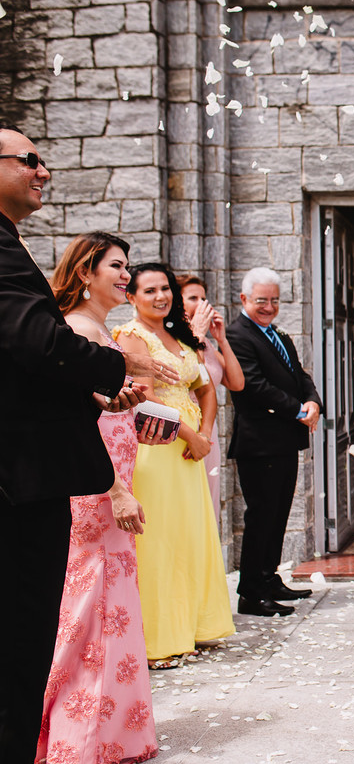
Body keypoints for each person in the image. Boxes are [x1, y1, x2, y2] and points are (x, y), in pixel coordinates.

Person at [0, 123, 168, 764]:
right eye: (29, 160)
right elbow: (36, 344)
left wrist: (102, 391)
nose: (43, 171)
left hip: (60, 467)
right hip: (27, 476)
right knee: (33, 632)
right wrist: (117, 365)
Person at [36, 233, 172, 764]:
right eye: (116, 266)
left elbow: (103, 409)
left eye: (126, 266)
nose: (125, 275)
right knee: (91, 611)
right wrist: (116, 489)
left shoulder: (96, 332)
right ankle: (76, 740)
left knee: (108, 606)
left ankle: (106, 732)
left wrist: (135, 415)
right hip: (97, 492)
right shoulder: (76, 330)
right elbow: (75, 424)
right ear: (85, 272)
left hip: (111, 482)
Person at [115, 263, 235, 669]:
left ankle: (191, 627)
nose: (160, 296)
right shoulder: (131, 336)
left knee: (189, 536)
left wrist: (206, 433)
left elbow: (206, 387)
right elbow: (145, 398)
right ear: (132, 296)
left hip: (190, 449)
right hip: (158, 447)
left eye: (165, 288)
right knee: (160, 541)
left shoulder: (179, 335)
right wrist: (189, 435)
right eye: (149, 290)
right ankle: (159, 639)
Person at [225, 267, 322, 617]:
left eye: (275, 301)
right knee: (262, 516)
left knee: (278, 514)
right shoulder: (237, 335)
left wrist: (312, 401)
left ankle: (269, 578)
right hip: (259, 441)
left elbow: (299, 373)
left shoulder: (277, 333)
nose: (269, 307)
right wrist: (297, 410)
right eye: (261, 300)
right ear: (244, 299)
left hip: (284, 440)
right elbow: (253, 385)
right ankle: (251, 592)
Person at [179, 275, 244, 523]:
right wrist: (195, 333)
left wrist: (221, 339)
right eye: (193, 298)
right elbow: (188, 377)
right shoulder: (174, 339)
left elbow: (237, 382)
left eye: (204, 298)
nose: (202, 304)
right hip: (185, 426)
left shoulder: (205, 342)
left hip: (209, 428)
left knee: (208, 498)